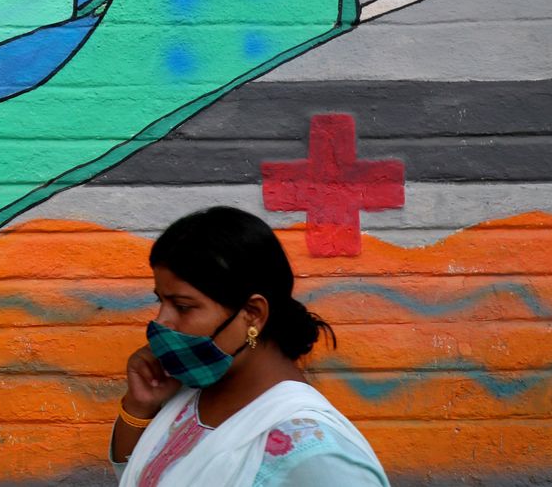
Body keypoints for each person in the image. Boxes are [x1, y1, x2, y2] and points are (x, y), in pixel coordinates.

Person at [109, 207, 389, 486]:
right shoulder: (192, 394)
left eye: (183, 307)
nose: (161, 321)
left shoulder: (316, 458)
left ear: (253, 314)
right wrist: (140, 408)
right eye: (161, 301)